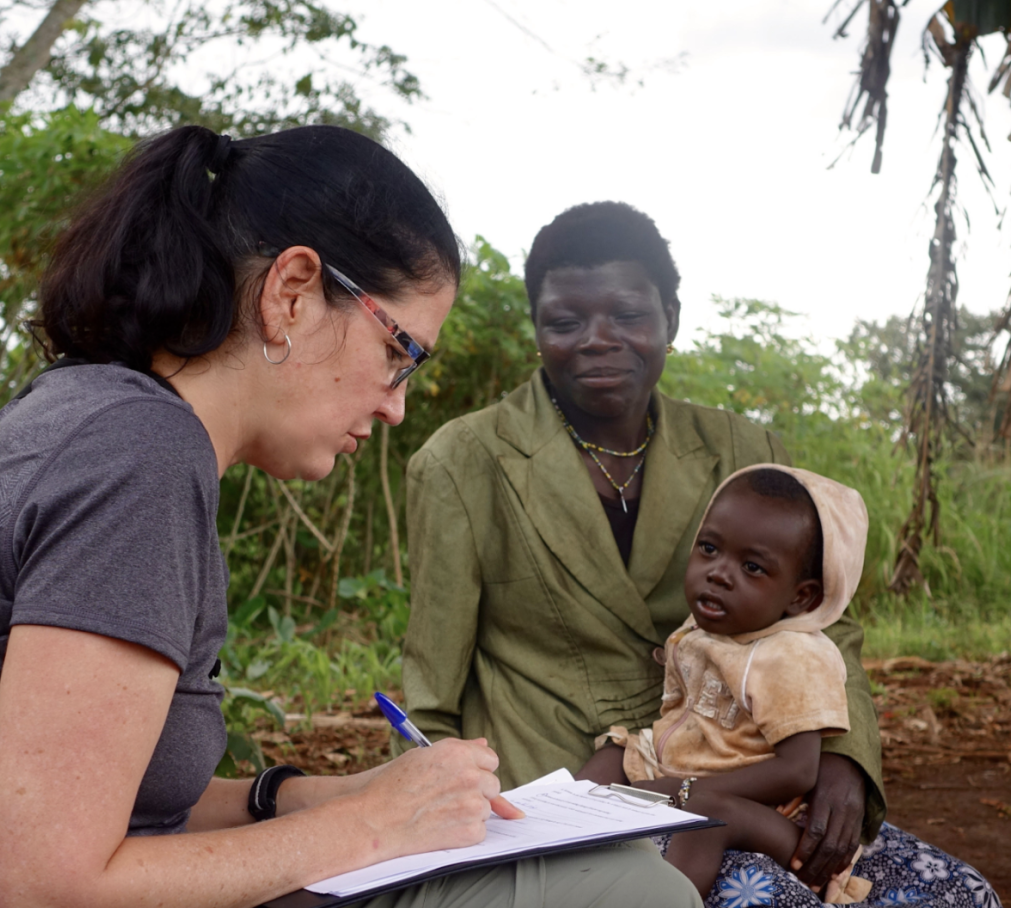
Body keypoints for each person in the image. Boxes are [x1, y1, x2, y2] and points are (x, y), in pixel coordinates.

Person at [0, 130, 701, 908]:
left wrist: (320, 796)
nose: (396, 407)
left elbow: (104, 791)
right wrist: (375, 827)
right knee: (629, 890)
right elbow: (48, 885)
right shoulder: (135, 456)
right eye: (402, 354)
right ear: (293, 292)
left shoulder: (105, 424)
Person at [398, 201, 1003, 906]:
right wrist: (440, 847)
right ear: (537, 329)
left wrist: (842, 760)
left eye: (627, 315)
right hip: (570, 802)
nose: (598, 340)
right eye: (565, 321)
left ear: (671, 319)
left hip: (753, 778)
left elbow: (825, 630)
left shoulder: (745, 451)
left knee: (960, 893)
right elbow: (429, 705)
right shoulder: (464, 461)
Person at [578, 465, 872, 904]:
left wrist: (684, 791)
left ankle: (663, 896)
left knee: (707, 816)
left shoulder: (791, 657)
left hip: (768, 812)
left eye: (752, 567)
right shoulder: (708, 629)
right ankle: (564, 832)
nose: (718, 573)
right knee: (613, 754)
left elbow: (798, 770)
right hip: (685, 769)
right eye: (709, 548)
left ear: (800, 597)